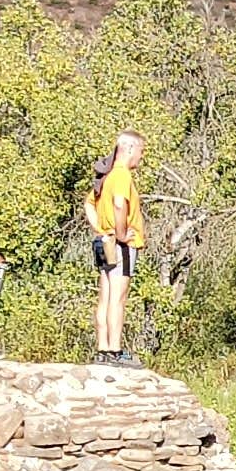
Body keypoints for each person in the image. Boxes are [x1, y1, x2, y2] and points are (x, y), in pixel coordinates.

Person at [84, 131, 148, 363]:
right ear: (129, 148)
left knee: (106, 295)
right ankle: (115, 350)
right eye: (140, 151)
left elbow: (89, 204)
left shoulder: (107, 177)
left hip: (104, 242)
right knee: (117, 298)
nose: (141, 158)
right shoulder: (121, 175)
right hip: (119, 245)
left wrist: (100, 229)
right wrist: (121, 234)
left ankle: (103, 349)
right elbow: (119, 204)